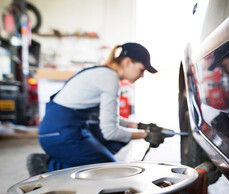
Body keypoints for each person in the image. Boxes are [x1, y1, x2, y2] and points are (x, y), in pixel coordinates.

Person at [38, 42, 167, 171]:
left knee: (111, 147)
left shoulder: (102, 73)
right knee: (107, 170)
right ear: (128, 62)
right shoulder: (109, 78)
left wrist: (141, 126)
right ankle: (49, 167)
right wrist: (146, 135)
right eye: (142, 70)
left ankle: (60, 162)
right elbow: (110, 132)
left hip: (53, 132)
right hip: (62, 135)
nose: (142, 75)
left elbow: (107, 117)